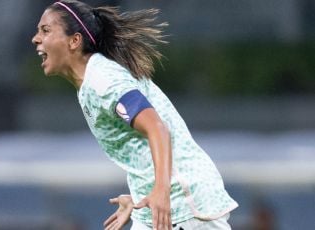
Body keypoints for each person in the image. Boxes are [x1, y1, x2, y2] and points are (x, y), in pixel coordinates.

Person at [31, 1, 238, 229]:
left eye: (45, 30)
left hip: (183, 203)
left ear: (74, 41)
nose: (36, 38)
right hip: (156, 206)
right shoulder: (90, 82)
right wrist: (141, 195)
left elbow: (157, 128)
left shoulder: (103, 80)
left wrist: (161, 190)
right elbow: (139, 146)